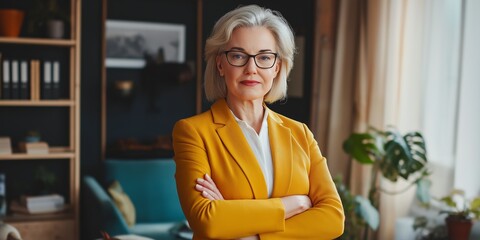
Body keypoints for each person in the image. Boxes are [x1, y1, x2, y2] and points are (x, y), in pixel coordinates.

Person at [172, 4, 344, 239]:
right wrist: (294, 204)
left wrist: (246, 231)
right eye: (238, 56)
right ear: (220, 64)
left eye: (264, 57)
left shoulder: (300, 133)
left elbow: (333, 219)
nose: (251, 68)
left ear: (277, 67)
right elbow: (207, 221)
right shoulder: (192, 132)